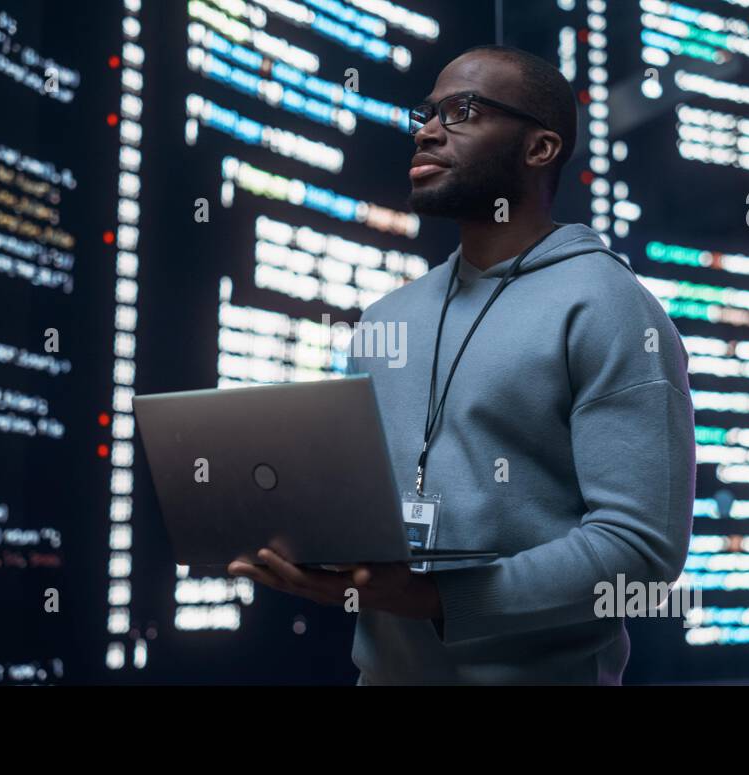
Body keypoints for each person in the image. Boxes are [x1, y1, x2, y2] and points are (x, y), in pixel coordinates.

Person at [228, 45, 695, 685]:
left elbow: (640, 552)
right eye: (425, 114)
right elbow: (361, 509)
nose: (426, 131)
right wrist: (313, 547)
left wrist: (439, 599)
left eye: (462, 111)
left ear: (540, 148)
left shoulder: (609, 306)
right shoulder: (387, 316)